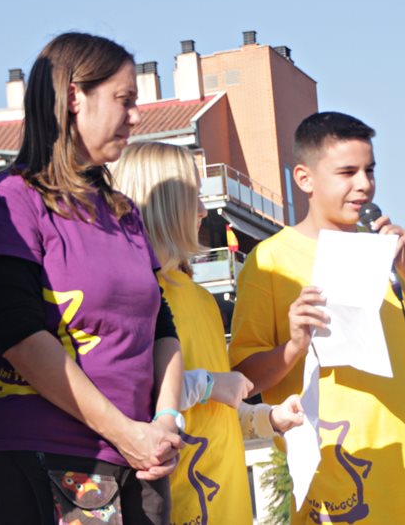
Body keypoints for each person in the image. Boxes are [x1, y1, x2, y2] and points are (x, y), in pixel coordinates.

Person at [0, 33, 183, 525]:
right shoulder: (12, 200)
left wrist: (166, 422)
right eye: (124, 99)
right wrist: (125, 433)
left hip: (138, 461)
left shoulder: (125, 213)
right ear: (73, 98)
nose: (136, 117)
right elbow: (18, 334)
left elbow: (162, 327)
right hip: (38, 457)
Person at [228, 111, 405, 524]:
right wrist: (294, 346)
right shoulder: (269, 262)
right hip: (340, 483)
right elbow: (243, 379)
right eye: (347, 172)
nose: (364, 184)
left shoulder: (385, 253)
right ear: (305, 178)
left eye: (369, 170)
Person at [112, 141, 305, 525]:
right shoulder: (131, 295)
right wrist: (210, 385)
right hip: (171, 507)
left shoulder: (201, 299)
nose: (203, 210)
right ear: (162, 206)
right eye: (193, 198)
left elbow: (218, 409)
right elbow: (126, 395)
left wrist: (269, 418)